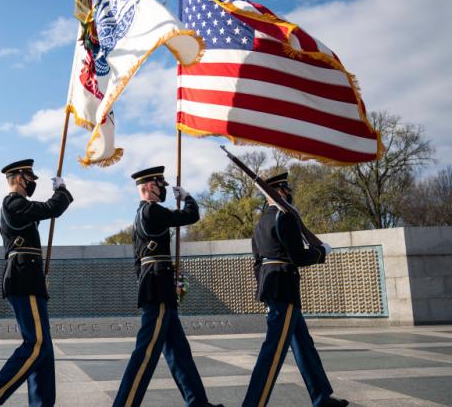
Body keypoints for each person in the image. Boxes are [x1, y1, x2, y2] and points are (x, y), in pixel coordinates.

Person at [113, 166, 223, 407]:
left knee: (179, 352)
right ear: (150, 186)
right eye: (160, 184)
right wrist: (188, 198)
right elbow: (190, 216)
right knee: (146, 353)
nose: (163, 188)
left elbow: (137, 260)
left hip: (154, 284)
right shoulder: (152, 211)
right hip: (158, 286)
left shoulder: (138, 215)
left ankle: (198, 403)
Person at [0, 159, 73, 407]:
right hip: (23, 279)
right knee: (36, 344)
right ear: (18, 179)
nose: (32, 183)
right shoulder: (13, 202)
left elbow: (43, 212)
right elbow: (51, 208)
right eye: (30, 179)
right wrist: (62, 191)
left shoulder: (20, 205)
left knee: (44, 350)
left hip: (30, 279)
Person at [242, 172, 348, 407]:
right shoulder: (285, 217)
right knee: (273, 351)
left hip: (273, 287)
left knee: (304, 345)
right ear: (278, 192)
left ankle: (321, 397)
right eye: (285, 190)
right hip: (285, 288)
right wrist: (321, 253)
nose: (289, 193)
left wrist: (265, 293)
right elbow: (297, 257)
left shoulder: (260, 223)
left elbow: (257, 262)